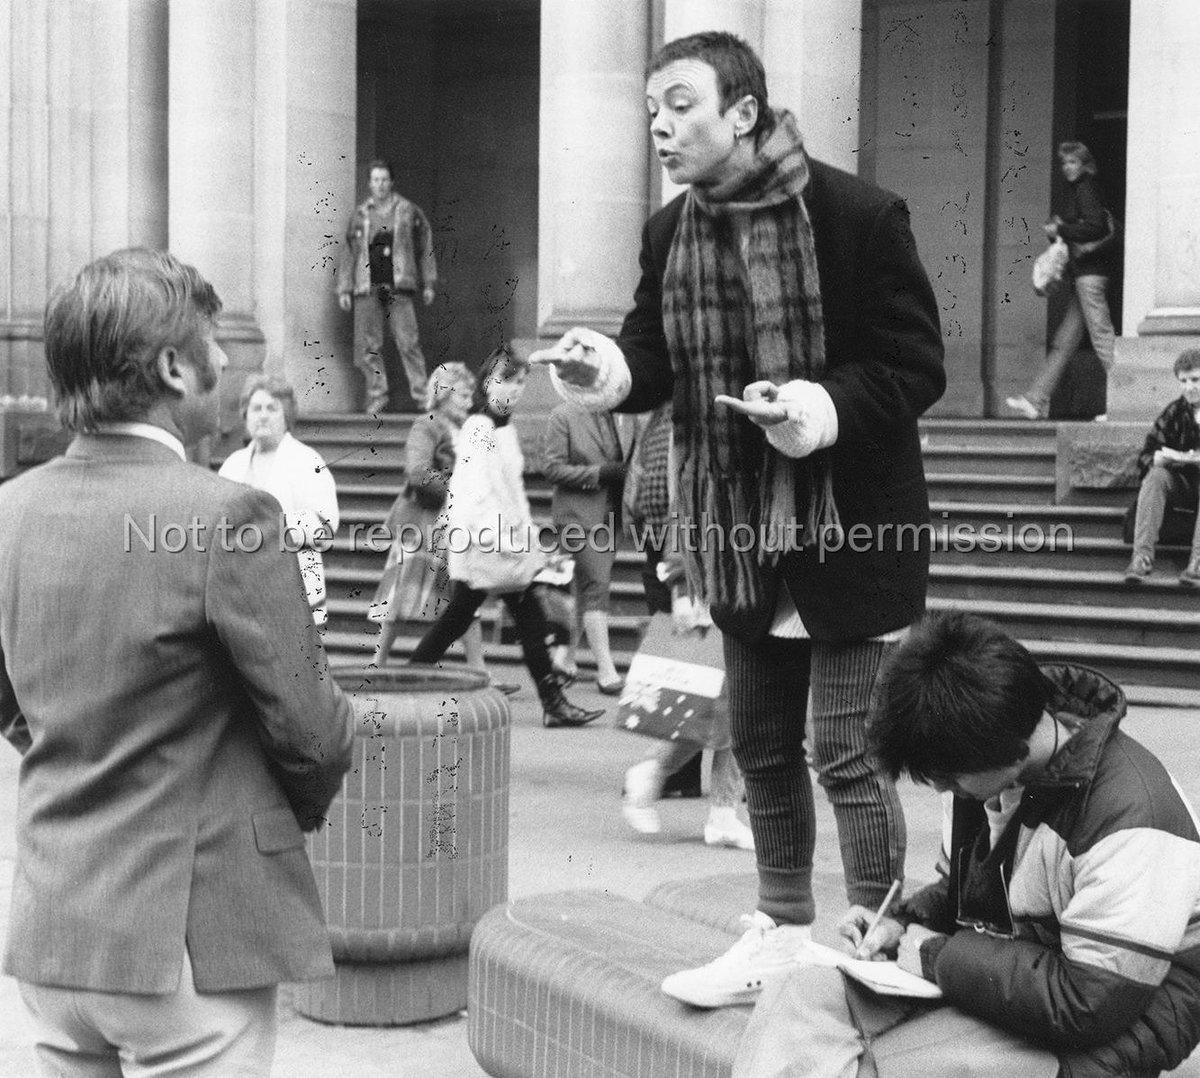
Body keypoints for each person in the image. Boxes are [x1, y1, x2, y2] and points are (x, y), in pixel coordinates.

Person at [533, 30, 945, 1008]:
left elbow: (913, 365)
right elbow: (653, 358)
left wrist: (816, 407)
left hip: (850, 527)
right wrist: (606, 369)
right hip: (732, 533)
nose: (661, 128)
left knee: (847, 756)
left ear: (745, 112)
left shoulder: (859, 215)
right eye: (651, 112)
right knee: (759, 747)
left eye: (681, 107)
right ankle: (782, 930)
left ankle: (876, 940)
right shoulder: (668, 232)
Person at [0, 248, 354, 1076]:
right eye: (212, 343)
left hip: (57, 927)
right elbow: (313, 729)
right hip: (189, 932)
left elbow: (12, 708)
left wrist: (88, 753)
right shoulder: (230, 516)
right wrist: (285, 811)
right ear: (171, 368)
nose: (226, 360)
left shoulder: (8, 511)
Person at [847, 611, 1200, 1078]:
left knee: (897, 1066)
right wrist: (900, 923)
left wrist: (938, 957)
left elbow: (1089, 1003)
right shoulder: (982, 761)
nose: (940, 789)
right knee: (822, 1006)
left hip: (1132, 1014)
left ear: (1015, 753)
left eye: (948, 777)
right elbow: (964, 892)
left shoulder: (1131, 816)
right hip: (1037, 976)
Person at [408, 345, 605, 728]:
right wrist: (508, 543)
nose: (513, 389)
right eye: (505, 381)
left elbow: (512, 493)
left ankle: (409, 680)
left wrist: (528, 542)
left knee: (467, 616)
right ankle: (553, 703)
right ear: (487, 383)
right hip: (486, 543)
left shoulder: (503, 429)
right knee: (497, 617)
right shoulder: (479, 428)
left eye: (520, 382)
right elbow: (476, 493)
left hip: (500, 545)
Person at [1007, 141, 1118, 421]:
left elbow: (1096, 226)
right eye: (1064, 162)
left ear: (1084, 164)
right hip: (1084, 275)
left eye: (1073, 162)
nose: (1067, 167)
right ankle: (1036, 400)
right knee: (1065, 342)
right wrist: (1059, 230)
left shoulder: (1086, 188)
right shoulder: (1082, 188)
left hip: (1090, 276)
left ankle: (1123, 401)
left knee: (1101, 338)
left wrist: (1061, 228)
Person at [218, 374, 340, 626]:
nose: (262, 416)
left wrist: (269, 529)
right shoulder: (232, 464)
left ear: (286, 416)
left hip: (291, 584)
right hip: (240, 586)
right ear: (245, 415)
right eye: (256, 408)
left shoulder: (307, 461)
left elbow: (324, 525)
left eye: (271, 408)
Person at [540, 401, 632, 694]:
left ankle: (564, 660)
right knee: (596, 586)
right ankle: (606, 671)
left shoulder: (624, 415)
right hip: (576, 517)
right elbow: (552, 468)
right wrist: (599, 473)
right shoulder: (562, 415)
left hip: (613, 517)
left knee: (582, 590)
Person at [336, 158, 437, 413]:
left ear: (391, 182)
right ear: (369, 183)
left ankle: (422, 395)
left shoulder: (408, 210)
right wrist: (345, 287)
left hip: (398, 285)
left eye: (384, 180)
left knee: (408, 342)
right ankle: (377, 395)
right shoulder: (360, 214)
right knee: (369, 345)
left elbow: (425, 244)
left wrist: (429, 282)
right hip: (367, 285)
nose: (380, 185)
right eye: (375, 180)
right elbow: (349, 251)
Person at [1122, 348, 1200, 585]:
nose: (1189, 387)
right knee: (1156, 476)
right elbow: (1145, 454)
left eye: (1195, 379)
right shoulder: (1175, 411)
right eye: (1183, 381)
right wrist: (1158, 459)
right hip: (1182, 486)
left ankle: (1197, 562)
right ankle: (1142, 558)